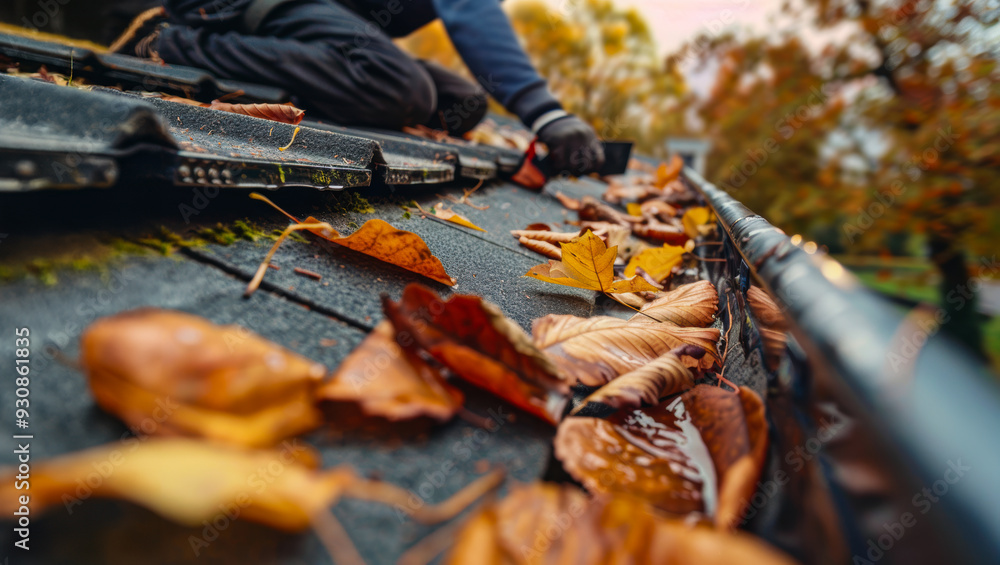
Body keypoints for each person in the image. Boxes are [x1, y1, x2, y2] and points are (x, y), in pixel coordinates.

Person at [113, 0, 605, 175]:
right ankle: (171, 40)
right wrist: (546, 113)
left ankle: (309, 80)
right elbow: (469, 10)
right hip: (233, 4)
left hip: (315, 18)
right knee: (400, 87)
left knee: (463, 102)